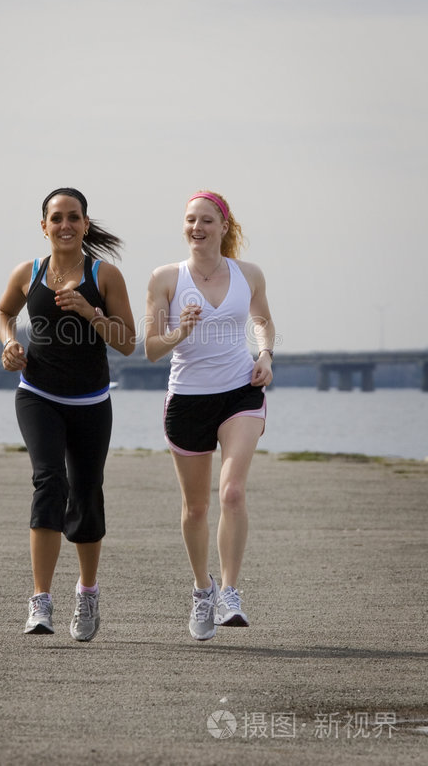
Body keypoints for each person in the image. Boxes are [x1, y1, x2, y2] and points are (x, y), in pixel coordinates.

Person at [0, 187, 135, 641]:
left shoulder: (105, 275)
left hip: (91, 402)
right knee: (49, 481)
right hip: (37, 394)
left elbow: (128, 342)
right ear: (44, 226)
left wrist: (91, 312)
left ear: (86, 224)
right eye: (56, 218)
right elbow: (3, 312)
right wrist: (9, 344)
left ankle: (87, 592)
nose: (65, 225)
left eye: (73, 217)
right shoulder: (28, 272)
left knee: (87, 491)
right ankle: (40, 601)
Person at [145, 190, 275, 641]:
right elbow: (150, 349)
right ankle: (203, 589)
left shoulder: (248, 274)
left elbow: (263, 319)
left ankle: (230, 591)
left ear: (224, 226)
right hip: (188, 399)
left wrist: (266, 354)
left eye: (205, 220)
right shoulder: (165, 278)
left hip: (240, 391)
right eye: (189, 220)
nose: (196, 228)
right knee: (196, 507)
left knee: (233, 492)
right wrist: (181, 329)